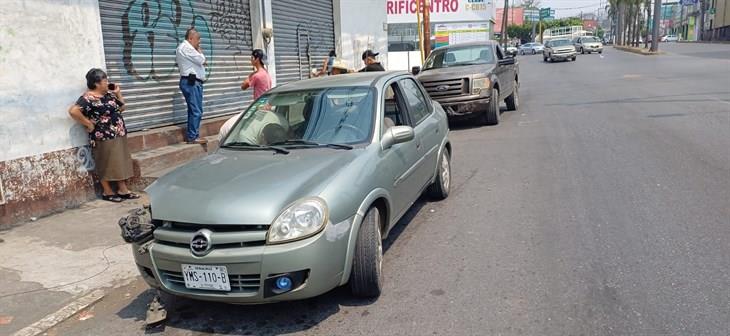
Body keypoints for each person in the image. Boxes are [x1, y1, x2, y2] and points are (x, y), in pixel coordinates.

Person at [68, 69, 140, 203]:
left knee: (120, 161)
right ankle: (107, 192)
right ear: (96, 83)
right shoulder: (88, 98)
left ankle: (123, 190)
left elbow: (122, 108)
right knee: (105, 163)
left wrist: (118, 94)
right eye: (105, 81)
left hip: (118, 133)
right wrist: (88, 124)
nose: (107, 83)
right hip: (102, 136)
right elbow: (73, 111)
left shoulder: (108, 95)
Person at [219, 49, 272, 140]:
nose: (250, 60)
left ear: (257, 59)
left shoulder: (256, 75)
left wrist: (250, 75)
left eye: (252, 58)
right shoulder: (266, 73)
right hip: (267, 104)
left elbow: (243, 86)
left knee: (244, 127)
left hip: (259, 106)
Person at [176, 27, 207, 144]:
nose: (199, 42)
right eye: (198, 39)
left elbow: (201, 61)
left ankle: (192, 135)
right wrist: (199, 51)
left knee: (193, 110)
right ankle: (193, 136)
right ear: (190, 38)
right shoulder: (186, 48)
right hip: (191, 83)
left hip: (194, 83)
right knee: (196, 110)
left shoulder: (187, 48)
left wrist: (200, 56)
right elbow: (201, 60)